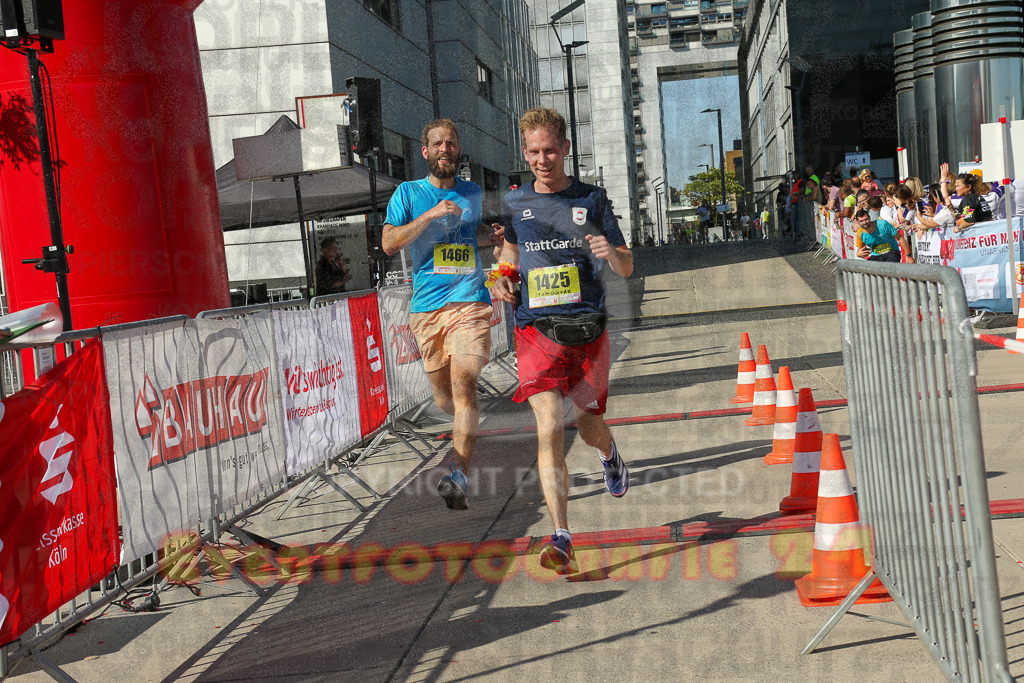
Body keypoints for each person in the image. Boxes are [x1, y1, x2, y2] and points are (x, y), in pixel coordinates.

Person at [491, 107, 633, 575]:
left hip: (588, 330)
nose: (542, 159)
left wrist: (610, 252)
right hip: (535, 329)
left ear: (566, 149)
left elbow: (627, 265)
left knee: (589, 426)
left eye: (550, 150)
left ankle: (609, 454)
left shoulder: (592, 199)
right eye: (533, 152)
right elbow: (510, 250)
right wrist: (503, 277)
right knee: (549, 423)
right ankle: (562, 535)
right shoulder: (514, 202)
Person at [382, 118, 502, 511]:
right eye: (438, 144)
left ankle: (458, 474)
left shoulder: (472, 191)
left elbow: (469, 234)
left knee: (465, 384)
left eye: (451, 143)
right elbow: (388, 243)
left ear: (458, 149)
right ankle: (467, 425)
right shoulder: (407, 192)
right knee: (444, 397)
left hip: (470, 300)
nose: (445, 149)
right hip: (427, 307)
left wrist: (491, 235)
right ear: (425, 151)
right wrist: (430, 216)